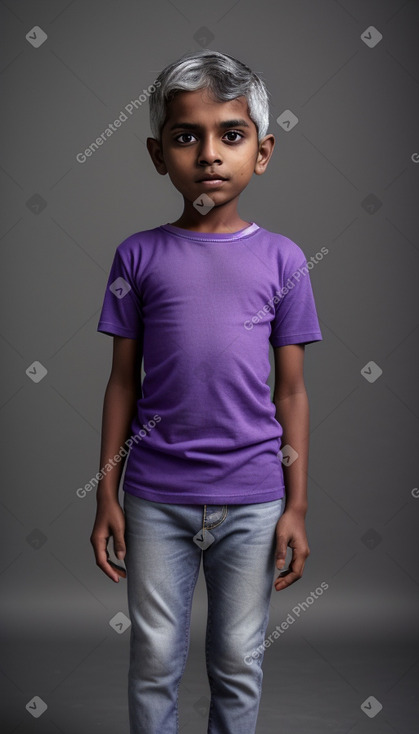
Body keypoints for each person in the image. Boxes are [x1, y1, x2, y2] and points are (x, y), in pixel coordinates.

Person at [90, 49, 323, 734]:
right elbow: (120, 382)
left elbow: (292, 395)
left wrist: (297, 505)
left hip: (253, 497)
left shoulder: (283, 260)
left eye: (231, 134)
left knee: (236, 656)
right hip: (155, 496)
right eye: (186, 136)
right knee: (155, 654)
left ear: (263, 151)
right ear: (159, 153)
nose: (209, 154)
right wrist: (107, 491)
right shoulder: (137, 256)